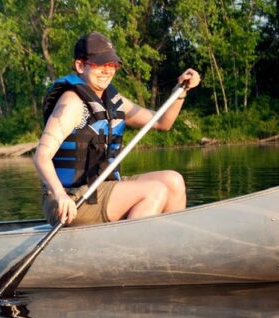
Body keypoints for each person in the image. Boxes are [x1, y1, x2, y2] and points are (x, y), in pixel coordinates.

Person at [35, 32, 202, 226]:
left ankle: (172, 240)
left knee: (174, 181)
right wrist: (60, 195)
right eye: (99, 64)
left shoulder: (113, 102)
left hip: (102, 188)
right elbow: (41, 156)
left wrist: (181, 91)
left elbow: (162, 122)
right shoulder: (72, 103)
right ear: (80, 66)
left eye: (111, 64)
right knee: (155, 190)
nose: (107, 70)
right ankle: (135, 243)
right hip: (70, 199)